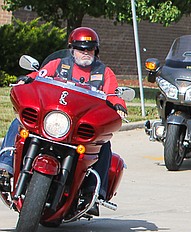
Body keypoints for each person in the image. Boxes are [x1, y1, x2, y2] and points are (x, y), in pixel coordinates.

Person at [0, 27, 126, 210]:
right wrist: (26, 80)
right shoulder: (58, 64)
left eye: (89, 49)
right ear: (72, 49)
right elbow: (39, 76)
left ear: (95, 51)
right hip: (54, 118)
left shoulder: (104, 72)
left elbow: (112, 93)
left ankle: (94, 193)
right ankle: (5, 167)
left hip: (77, 124)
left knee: (103, 143)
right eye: (80, 48)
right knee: (19, 124)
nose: (85, 53)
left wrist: (118, 105)